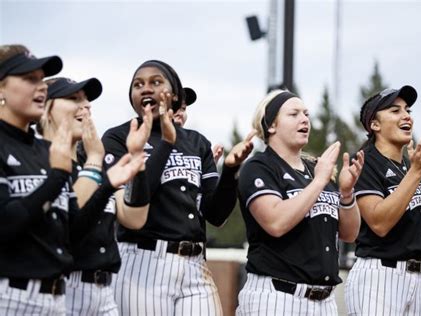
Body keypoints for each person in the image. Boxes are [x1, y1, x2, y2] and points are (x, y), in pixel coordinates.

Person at [101, 59, 254, 316]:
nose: (146, 88)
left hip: (195, 265)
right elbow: (137, 201)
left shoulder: (196, 142)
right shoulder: (119, 137)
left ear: (173, 94)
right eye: (138, 84)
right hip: (144, 263)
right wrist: (166, 144)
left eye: (155, 82)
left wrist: (229, 171)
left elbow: (215, 214)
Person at [236, 89, 364, 315]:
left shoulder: (316, 168)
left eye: (306, 114)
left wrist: (346, 193)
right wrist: (320, 181)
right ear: (271, 125)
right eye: (293, 114)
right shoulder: (259, 167)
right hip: (277, 298)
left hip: (324, 301)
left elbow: (349, 233)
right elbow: (275, 222)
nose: (304, 119)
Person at [39, 76, 151, 315]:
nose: (86, 105)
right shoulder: (40, 161)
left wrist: (137, 162)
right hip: (64, 288)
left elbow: (134, 218)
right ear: (45, 108)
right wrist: (94, 160)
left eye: (87, 100)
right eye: (73, 98)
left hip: (104, 293)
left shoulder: (91, 164)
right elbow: (66, 222)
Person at [344, 85, 421, 315]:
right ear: (375, 124)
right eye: (395, 111)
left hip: (419, 279)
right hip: (380, 277)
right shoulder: (365, 161)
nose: (406, 116)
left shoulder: (411, 166)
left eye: (408, 111)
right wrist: (417, 172)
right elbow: (379, 223)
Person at [0, 44, 73, 315]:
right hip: (10, 297)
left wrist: (109, 180)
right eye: (29, 79)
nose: (41, 87)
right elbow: (4, 224)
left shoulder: (47, 150)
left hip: (57, 299)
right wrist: (57, 177)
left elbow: (74, 235)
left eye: (42, 79)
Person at [174, 86, 224, 162]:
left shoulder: (197, 142)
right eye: (175, 107)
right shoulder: (150, 140)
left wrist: (209, 166)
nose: (181, 113)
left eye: (183, 108)